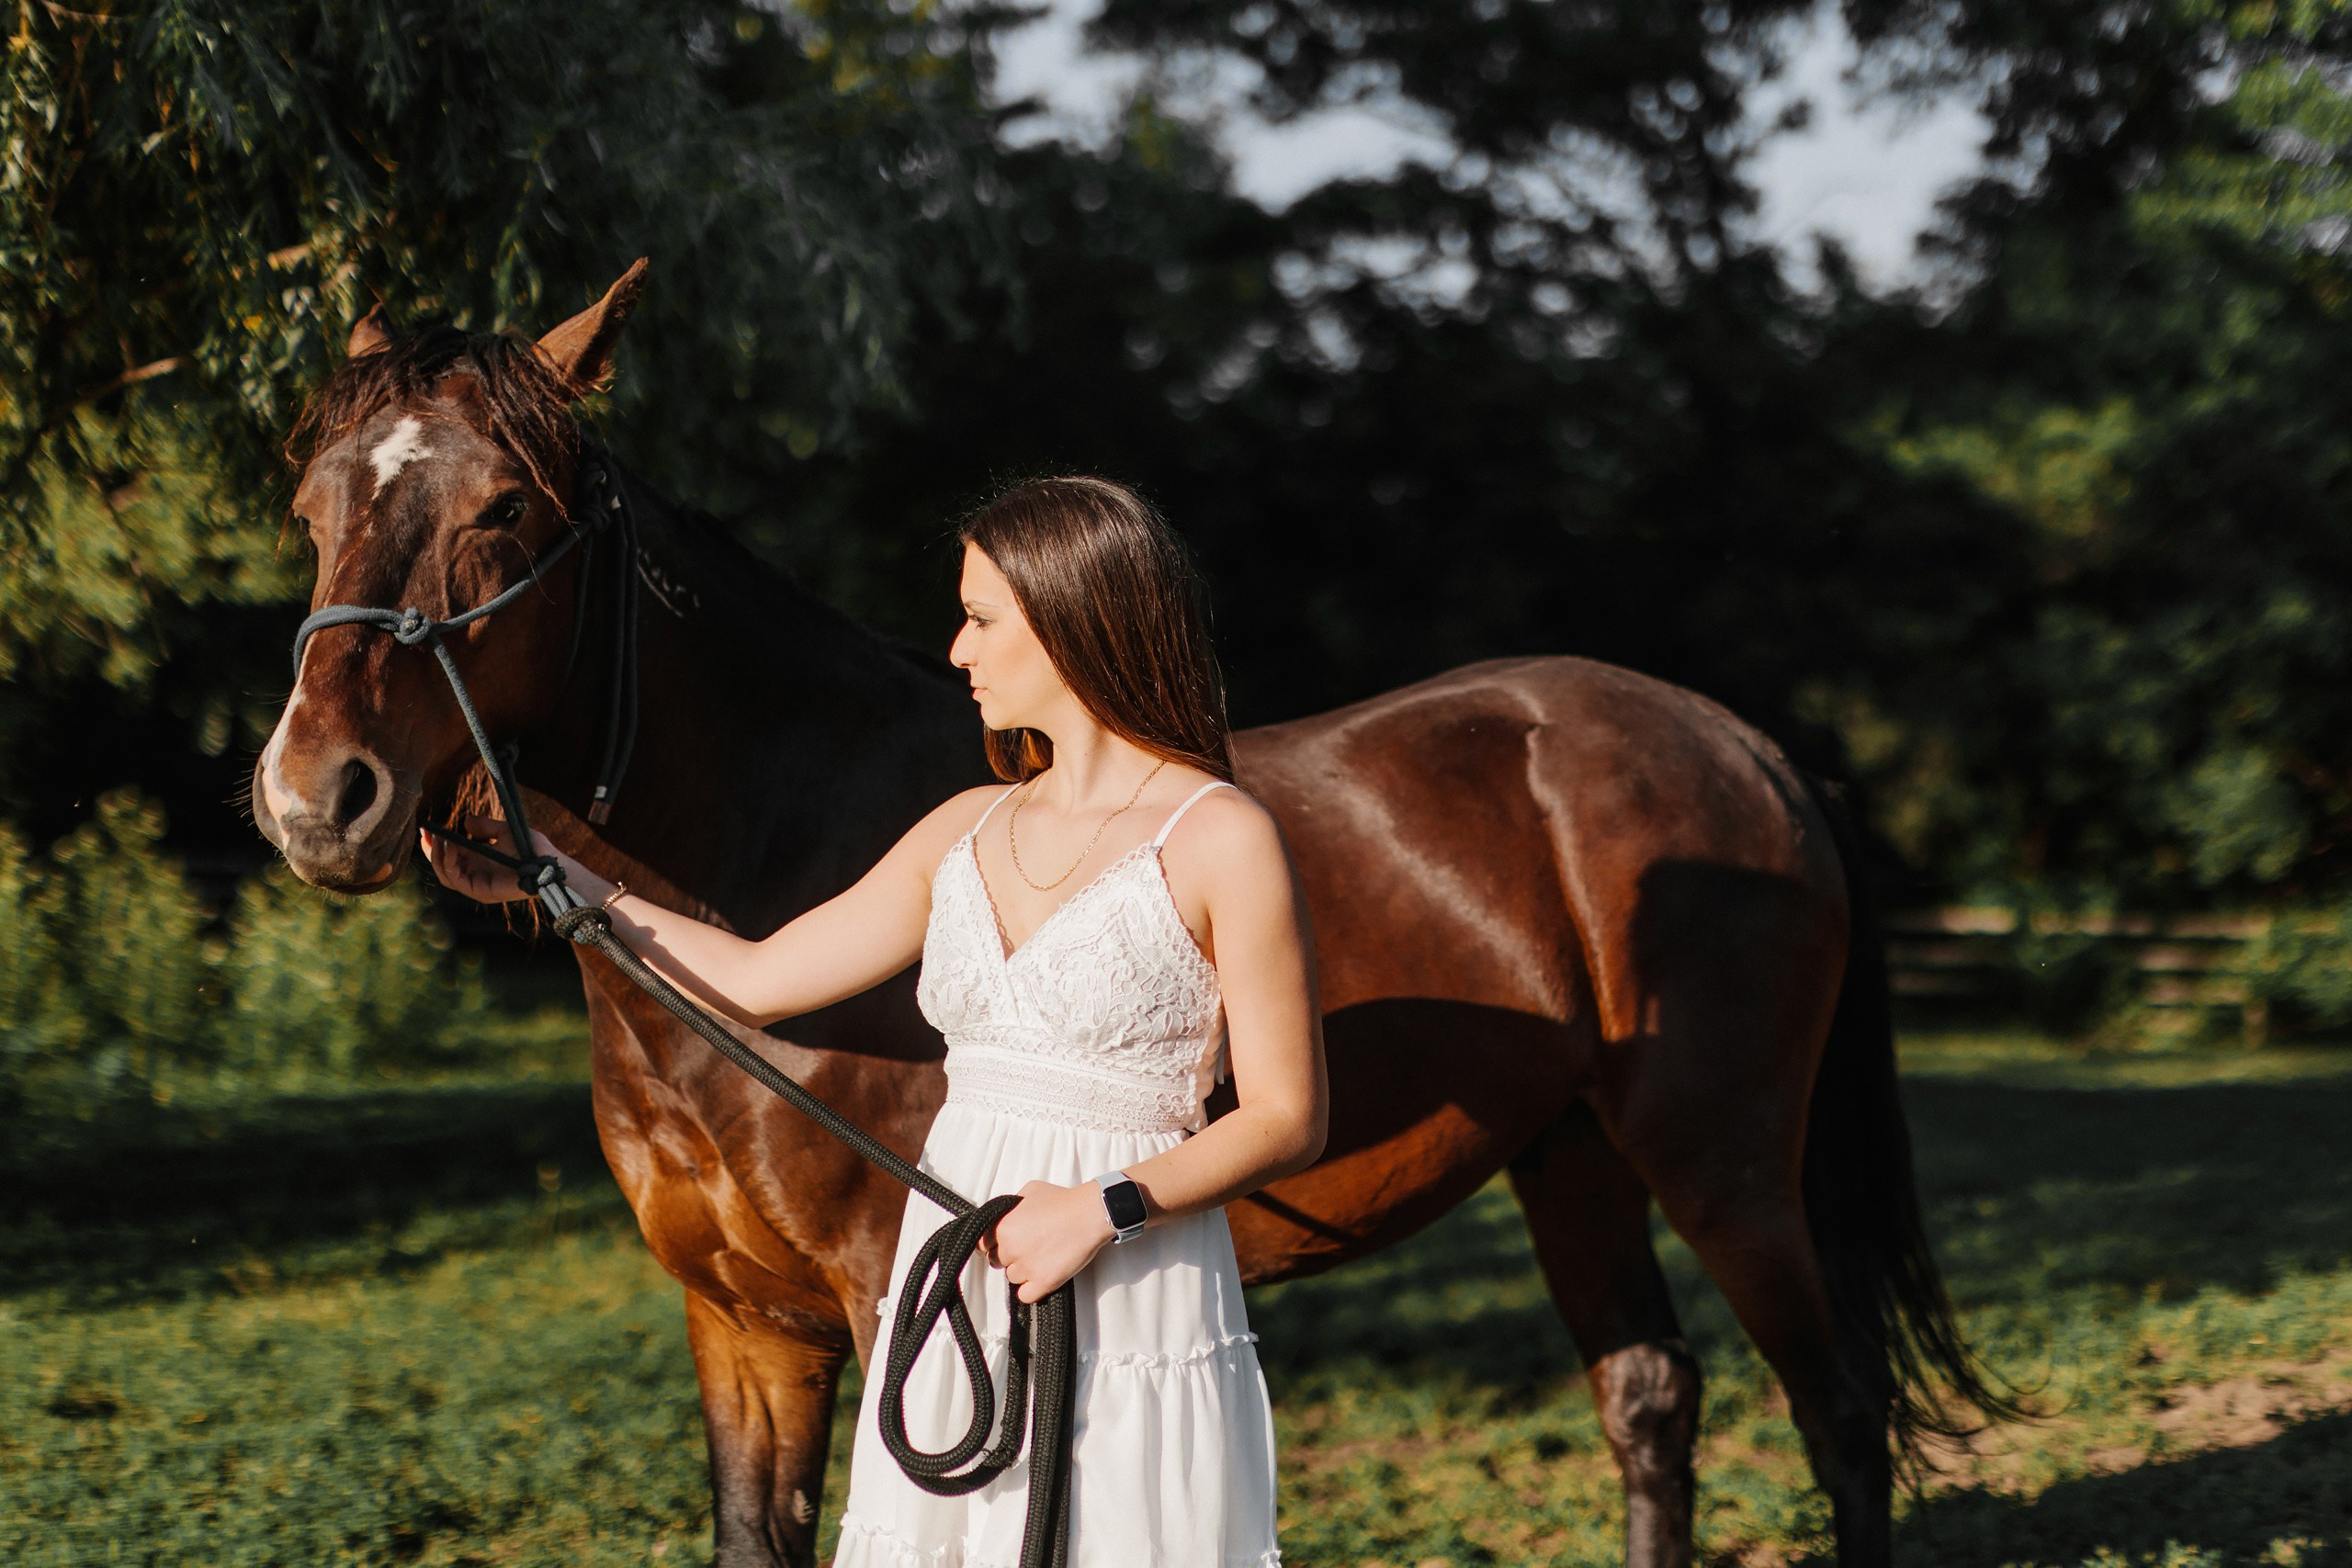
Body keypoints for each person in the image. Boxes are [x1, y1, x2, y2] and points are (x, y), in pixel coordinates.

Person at [427, 476, 1327, 1567]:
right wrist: (562, 879)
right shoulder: (965, 827)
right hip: (959, 1264)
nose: (956, 651)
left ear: (1074, 621)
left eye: (982, 619)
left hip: (1132, 1273)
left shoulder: (1219, 836)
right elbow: (758, 978)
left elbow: (1286, 1116)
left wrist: (1103, 1208)